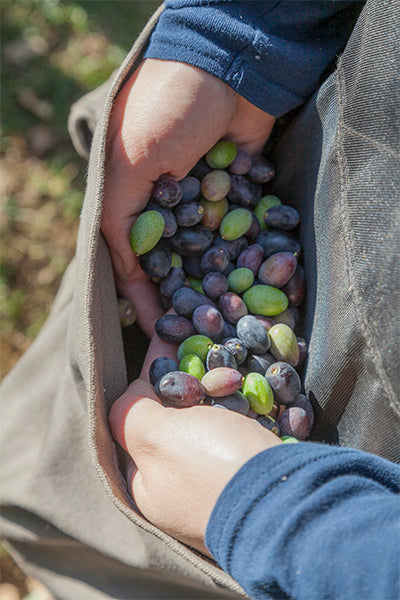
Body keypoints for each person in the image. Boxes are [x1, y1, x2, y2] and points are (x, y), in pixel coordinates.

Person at [1, 1, 399, 599]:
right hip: (326, 138)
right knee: (56, 466)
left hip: (319, 487)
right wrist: (237, 38)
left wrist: (271, 506)